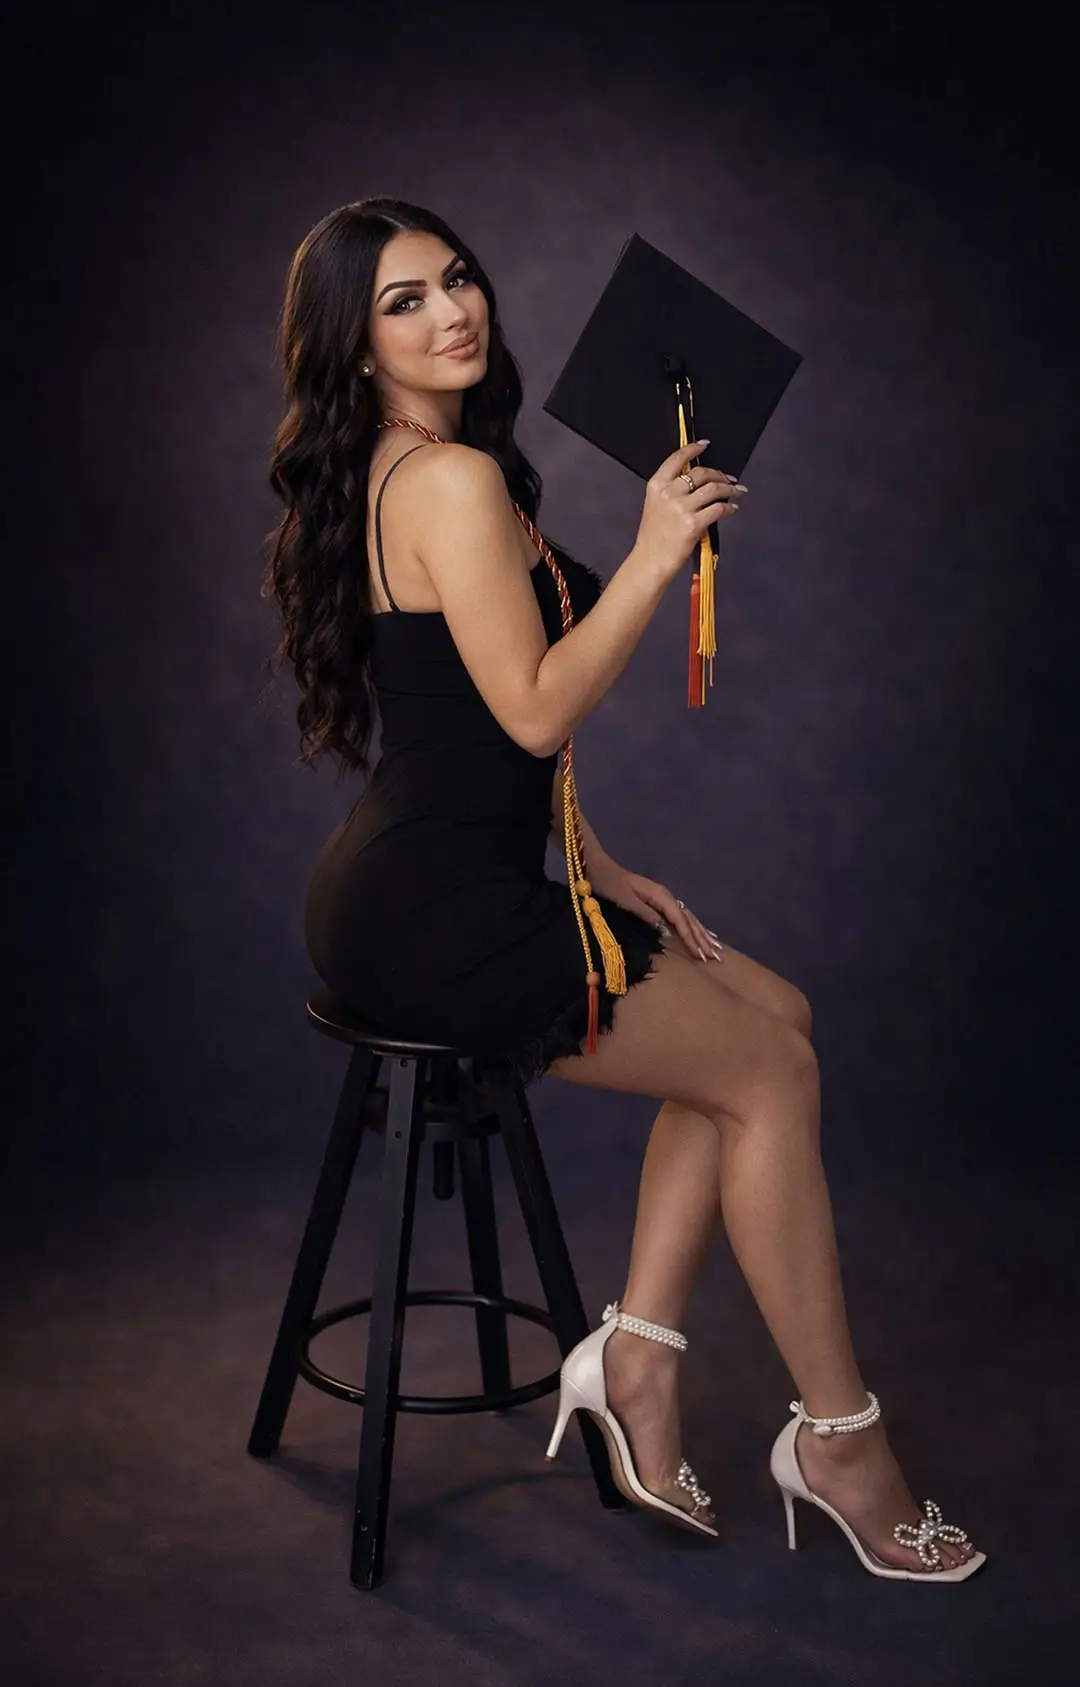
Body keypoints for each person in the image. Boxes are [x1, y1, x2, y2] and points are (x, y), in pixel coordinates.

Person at [263, 197, 983, 1582]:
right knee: (768, 1073)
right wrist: (652, 555)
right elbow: (533, 711)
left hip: (434, 880)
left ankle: (634, 1360)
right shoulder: (446, 483)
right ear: (354, 345)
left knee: (778, 1013)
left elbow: (466, 724)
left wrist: (596, 866)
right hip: (432, 916)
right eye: (404, 300)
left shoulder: (434, 466)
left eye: (457, 278)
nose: (452, 311)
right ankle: (841, 1440)